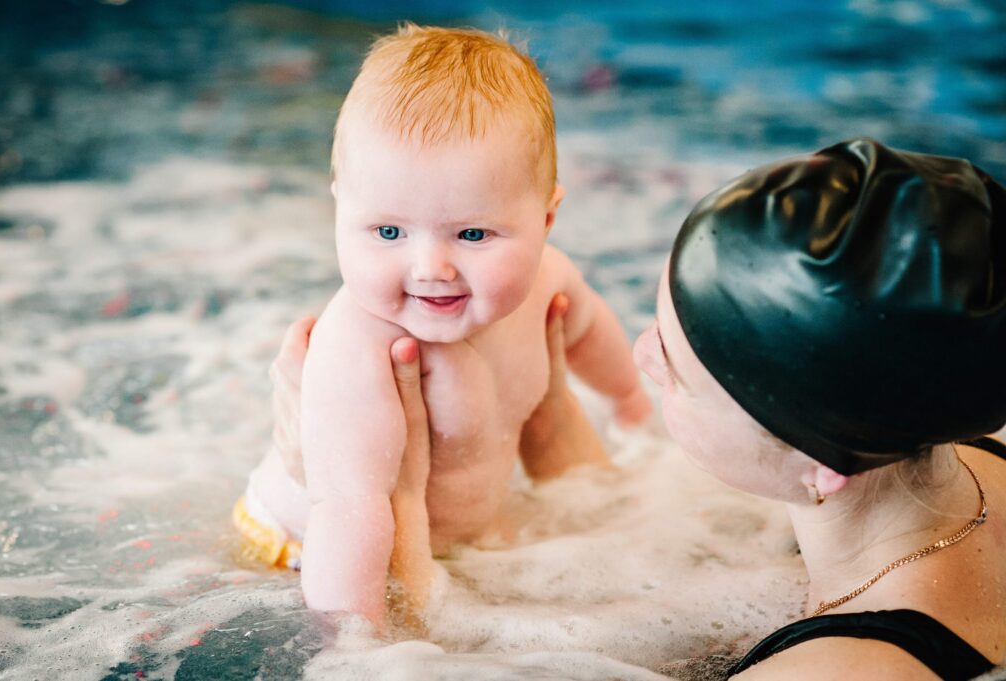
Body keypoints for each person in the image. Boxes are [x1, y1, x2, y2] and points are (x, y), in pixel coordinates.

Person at [267, 138, 1006, 679]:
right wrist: (549, 412)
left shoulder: (836, 673)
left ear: (818, 464)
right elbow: (621, 543)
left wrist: (394, 497)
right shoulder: (949, 425)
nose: (644, 354)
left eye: (677, 371)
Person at [233, 23, 651, 630]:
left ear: (548, 216)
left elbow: (588, 330)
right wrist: (359, 645)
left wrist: (630, 400)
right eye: (388, 232)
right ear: (339, 210)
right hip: (307, 555)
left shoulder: (547, 282)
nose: (432, 269)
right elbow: (348, 508)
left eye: (473, 234)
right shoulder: (358, 345)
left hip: (449, 538)